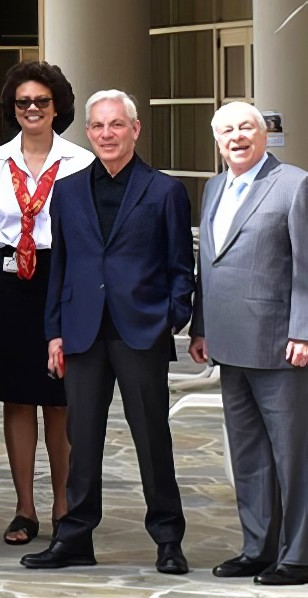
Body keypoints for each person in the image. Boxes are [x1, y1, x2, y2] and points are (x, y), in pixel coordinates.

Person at [21, 89, 192, 574]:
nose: (106, 134)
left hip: (141, 331)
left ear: (134, 129)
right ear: (88, 132)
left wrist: (171, 317)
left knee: (152, 440)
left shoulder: (164, 191)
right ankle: (74, 537)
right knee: (82, 440)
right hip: (82, 332)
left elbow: (182, 266)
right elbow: (63, 268)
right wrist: (55, 331)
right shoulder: (69, 190)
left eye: (116, 125)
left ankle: (167, 539)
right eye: (97, 126)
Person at [0, 61, 91, 546]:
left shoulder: (81, 162)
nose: (32, 108)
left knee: (61, 399)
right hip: (6, 284)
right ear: (12, 109)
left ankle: (64, 507)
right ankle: (25, 509)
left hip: (62, 278)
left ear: (57, 105)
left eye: (41, 100)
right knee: (17, 397)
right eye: (23, 102)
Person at [190, 101, 308, 586]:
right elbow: (209, 265)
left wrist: (303, 330)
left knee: (293, 454)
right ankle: (257, 547)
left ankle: (299, 555)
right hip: (227, 341)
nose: (235, 137)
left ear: (263, 134)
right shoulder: (215, 186)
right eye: (225, 131)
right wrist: (200, 326)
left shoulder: (295, 184)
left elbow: (307, 265)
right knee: (248, 454)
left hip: (280, 344)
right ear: (217, 140)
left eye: (245, 128)